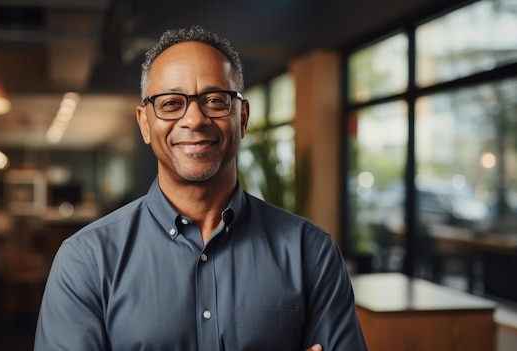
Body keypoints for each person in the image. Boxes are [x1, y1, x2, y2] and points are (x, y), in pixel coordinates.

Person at [34, 25, 367, 351]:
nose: (194, 119)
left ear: (243, 117)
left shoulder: (311, 252)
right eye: (170, 103)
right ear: (144, 124)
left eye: (215, 100)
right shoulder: (86, 260)